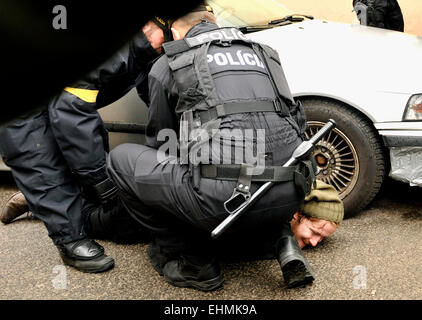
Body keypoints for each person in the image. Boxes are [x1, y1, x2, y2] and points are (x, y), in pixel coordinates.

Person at [104, 2, 319, 291]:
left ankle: (195, 264)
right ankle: (280, 242)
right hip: (290, 194)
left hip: (224, 202)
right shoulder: (266, 54)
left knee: (123, 159)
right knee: (258, 154)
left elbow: (163, 148)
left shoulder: (169, 64)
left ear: (176, 33)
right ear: (213, 21)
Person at [0, 20, 166, 273]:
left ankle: (42, 202)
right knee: (39, 160)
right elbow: (72, 115)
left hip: (57, 96)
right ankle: (70, 239)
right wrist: (102, 180)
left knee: (117, 203)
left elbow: (155, 94)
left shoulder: (149, 49)